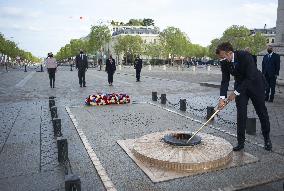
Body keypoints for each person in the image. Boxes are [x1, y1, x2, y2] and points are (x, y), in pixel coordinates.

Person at [216, 42, 272, 151]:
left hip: (255, 84)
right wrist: (222, 98)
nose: (221, 60)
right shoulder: (224, 62)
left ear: (230, 53)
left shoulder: (245, 56)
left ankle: (267, 139)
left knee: (262, 112)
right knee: (241, 114)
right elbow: (225, 80)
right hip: (241, 86)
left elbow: (250, 77)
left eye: (223, 57)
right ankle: (240, 142)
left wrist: (235, 93)